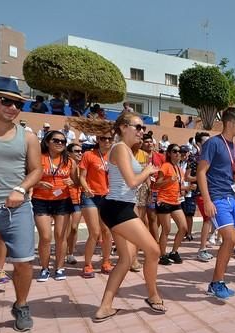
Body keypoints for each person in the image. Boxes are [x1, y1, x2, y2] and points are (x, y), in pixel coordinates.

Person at [0, 77, 43, 333]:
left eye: (17, 103)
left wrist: (20, 189)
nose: (12, 107)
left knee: (24, 263)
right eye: (6, 101)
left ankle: (22, 306)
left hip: (18, 209)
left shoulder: (28, 137)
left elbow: (37, 170)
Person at [79, 112, 166, 320]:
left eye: (143, 128)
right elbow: (132, 182)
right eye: (138, 127)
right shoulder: (119, 149)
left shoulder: (126, 150)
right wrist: (147, 171)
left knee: (126, 260)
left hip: (120, 207)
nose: (142, 132)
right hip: (117, 208)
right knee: (153, 250)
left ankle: (105, 307)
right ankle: (153, 296)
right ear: (124, 127)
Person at [196, 107, 235, 299]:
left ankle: (218, 281)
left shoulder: (234, 147)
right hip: (217, 197)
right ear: (230, 123)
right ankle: (216, 282)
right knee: (230, 238)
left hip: (231, 198)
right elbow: (201, 172)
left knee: (231, 241)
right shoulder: (213, 143)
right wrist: (207, 200)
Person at [32, 130, 77, 281]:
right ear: (46, 142)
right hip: (41, 200)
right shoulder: (38, 158)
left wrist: (72, 182)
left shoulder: (69, 161)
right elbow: (27, 177)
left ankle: (59, 268)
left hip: (62, 200)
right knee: (45, 237)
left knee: (60, 236)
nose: (60, 144)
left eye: (63, 142)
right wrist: (38, 183)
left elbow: (77, 181)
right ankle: (44, 268)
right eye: (56, 140)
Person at [76, 130, 114, 278]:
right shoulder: (88, 155)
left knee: (107, 232)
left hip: (107, 197)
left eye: (109, 139)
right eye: (103, 138)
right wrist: (86, 188)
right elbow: (82, 176)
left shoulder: (113, 157)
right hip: (90, 197)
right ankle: (87, 264)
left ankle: (106, 262)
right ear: (98, 139)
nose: (106, 141)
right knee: (95, 232)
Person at [154, 144, 188, 265]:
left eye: (179, 152)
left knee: (183, 227)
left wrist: (188, 187)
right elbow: (156, 185)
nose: (178, 153)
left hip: (175, 201)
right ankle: (162, 255)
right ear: (169, 153)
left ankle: (173, 252)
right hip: (164, 201)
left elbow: (178, 186)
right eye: (175, 151)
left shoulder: (179, 169)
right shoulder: (166, 166)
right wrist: (169, 179)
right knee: (166, 229)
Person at [188, 132, 215, 263]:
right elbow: (187, 177)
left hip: (211, 192)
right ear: (199, 143)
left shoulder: (210, 157)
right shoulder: (194, 158)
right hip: (200, 192)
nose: (209, 144)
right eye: (206, 142)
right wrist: (200, 177)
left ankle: (204, 247)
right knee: (208, 219)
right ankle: (202, 249)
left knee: (209, 219)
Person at [65, 143, 83, 265]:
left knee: (74, 228)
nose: (79, 153)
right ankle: (65, 251)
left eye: (81, 151)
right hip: (65, 199)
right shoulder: (65, 164)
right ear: (69, 153)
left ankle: (70, 253)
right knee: (64, 228)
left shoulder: (83, 165)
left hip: (78, 199)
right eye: (76, 151)